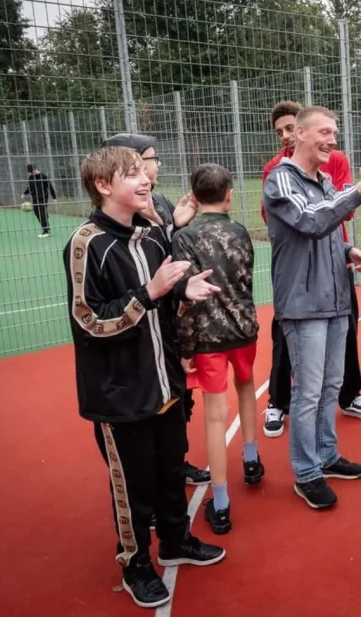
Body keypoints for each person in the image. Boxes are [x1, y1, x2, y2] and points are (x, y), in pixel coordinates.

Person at [65, 145, 225, 609]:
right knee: (132, 487)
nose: (146, 180)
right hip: (120, 396)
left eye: (144, 171)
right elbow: (88, 320)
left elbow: (161, 299)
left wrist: (180, 291)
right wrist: (152, 292)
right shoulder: (86, 244)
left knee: (172, 469)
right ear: (102, 185)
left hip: (165, 383)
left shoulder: (154, 236)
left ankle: (177, 541)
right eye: (132, 173)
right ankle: (135, 564)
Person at [262, 106, 361, 510]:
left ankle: (327, 456)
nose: (333, 139)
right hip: (303, 304)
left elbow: (327, 235)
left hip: (334, 300)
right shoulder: (280, 180)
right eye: (326, 132)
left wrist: (350, 250)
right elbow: (310, 221)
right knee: (308, 392)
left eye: (335, 132)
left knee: (331, 385)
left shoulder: (327, 180)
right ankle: (306, 472)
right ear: (299, 134)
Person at [101, 133, 208, 487]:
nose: (154, 166)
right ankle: (144, 491)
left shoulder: (158, 201)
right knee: (143, 420)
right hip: (138, 329)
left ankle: (175, 466)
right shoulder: (106, 231)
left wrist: (175, 223)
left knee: (178, 402)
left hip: (169, 320)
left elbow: (161, 255)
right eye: (148, 159)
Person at [172, 163, 262, 535]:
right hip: (244, 330)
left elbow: (187, 298)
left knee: (213, 415)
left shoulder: (184, 237)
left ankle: (221, 503)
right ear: (229, 195)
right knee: (246, 386)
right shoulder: (240, 231)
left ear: (193, 197)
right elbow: (245, 280)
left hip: (208, 337)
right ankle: (252, 460)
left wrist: (185, 344)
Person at [22, 164, 57, 238]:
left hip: (43, 198)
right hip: (35, 198)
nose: (32, 173)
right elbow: (30, 187)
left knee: (42, 213)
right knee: (37, 213)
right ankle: (45, 228)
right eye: (30, 172)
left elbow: (49, 186)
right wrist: (25, 193)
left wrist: (54, 197)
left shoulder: (43, 177)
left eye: (32, 172)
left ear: (35, 169)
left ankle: (47, 231)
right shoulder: (31, 177)